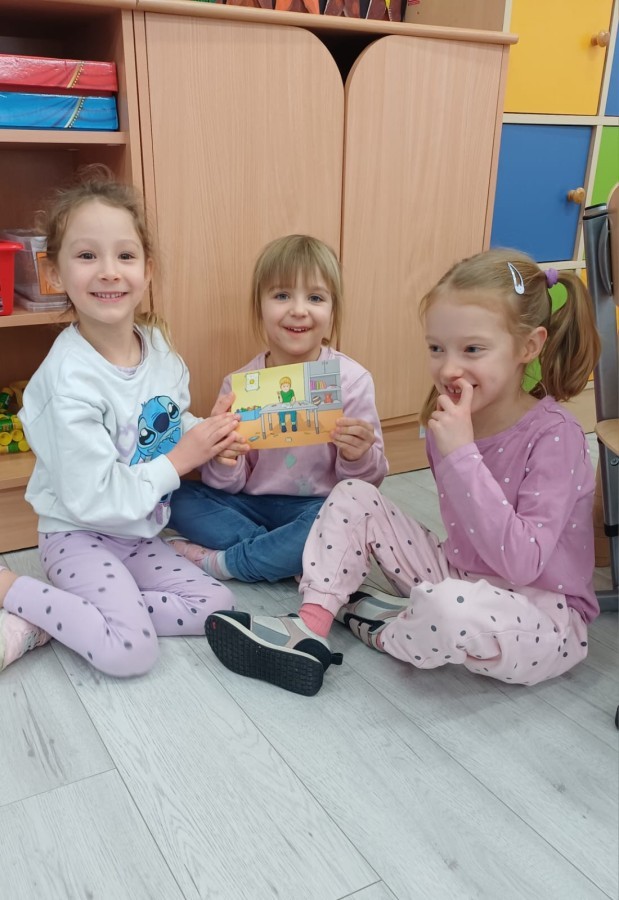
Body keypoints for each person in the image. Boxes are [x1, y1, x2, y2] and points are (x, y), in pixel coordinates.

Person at [203, 248, 602, 696]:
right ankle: (310, 626)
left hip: (543, 616)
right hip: (459, 573)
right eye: (436, 348)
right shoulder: (448, 420)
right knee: (352, 494)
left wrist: (462, 455)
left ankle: (382, 627)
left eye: (472, 349)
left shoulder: (557, 436)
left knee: (448, 609)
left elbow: (522, 564)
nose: (449, 368)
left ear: (528, 347)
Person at [0, 168, 241, 676]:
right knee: (130, 651)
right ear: (54, 272)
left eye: (125, 256)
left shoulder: (159, 349)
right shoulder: (67, 382)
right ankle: (13, 590)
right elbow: (94, 498)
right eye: (87, 256)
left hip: (138, 533)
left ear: (147, 269)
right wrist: (183, 458)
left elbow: (167, 424)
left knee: (218, 606)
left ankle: (72, 617)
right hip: (78, 536)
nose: (109, 272)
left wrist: (208, 434)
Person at [167, 234, 388, 583]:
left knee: (354, 515)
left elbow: (365, 484)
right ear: (259, 306)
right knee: (176, 495)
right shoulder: (239, 385)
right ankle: (290, 555)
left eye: (315, 297)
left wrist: (357, 455)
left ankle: (232, 562)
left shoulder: (352, 380)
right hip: (251, 505)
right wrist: (223, 458)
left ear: (333, 310)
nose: (298, 310)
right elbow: (227, 485)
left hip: (318, 506)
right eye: (282, 295)